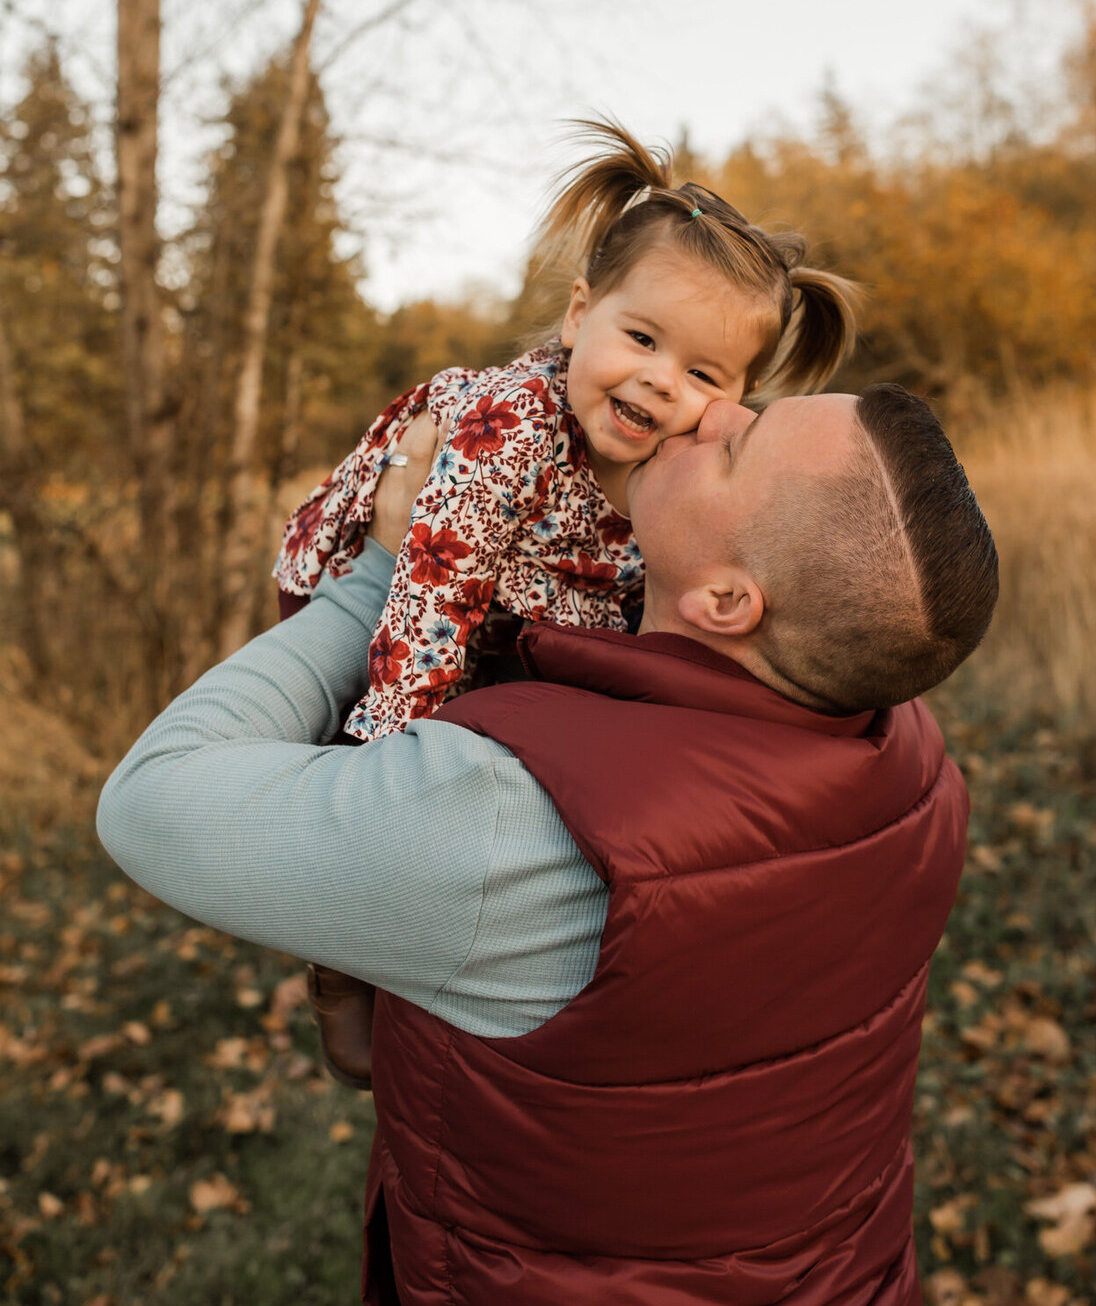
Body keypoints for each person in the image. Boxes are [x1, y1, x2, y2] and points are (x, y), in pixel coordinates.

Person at [98, 378, 998, 1306]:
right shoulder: (910, 754)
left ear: (728, 601)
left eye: (740, 443)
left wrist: (381, 572)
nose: (715, 408)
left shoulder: (520, 817)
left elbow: (149, 802)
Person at [275, 118, 856, 1084]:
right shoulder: (507, 428)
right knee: (384, 758)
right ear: (579, 313)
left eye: (703, 372)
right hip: (383, 580)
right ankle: (341, 961)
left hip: (525, 593)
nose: (659, 381)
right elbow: (430, 603)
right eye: (641, 338)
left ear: (737, 394)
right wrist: (391, 767)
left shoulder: (671, 457)